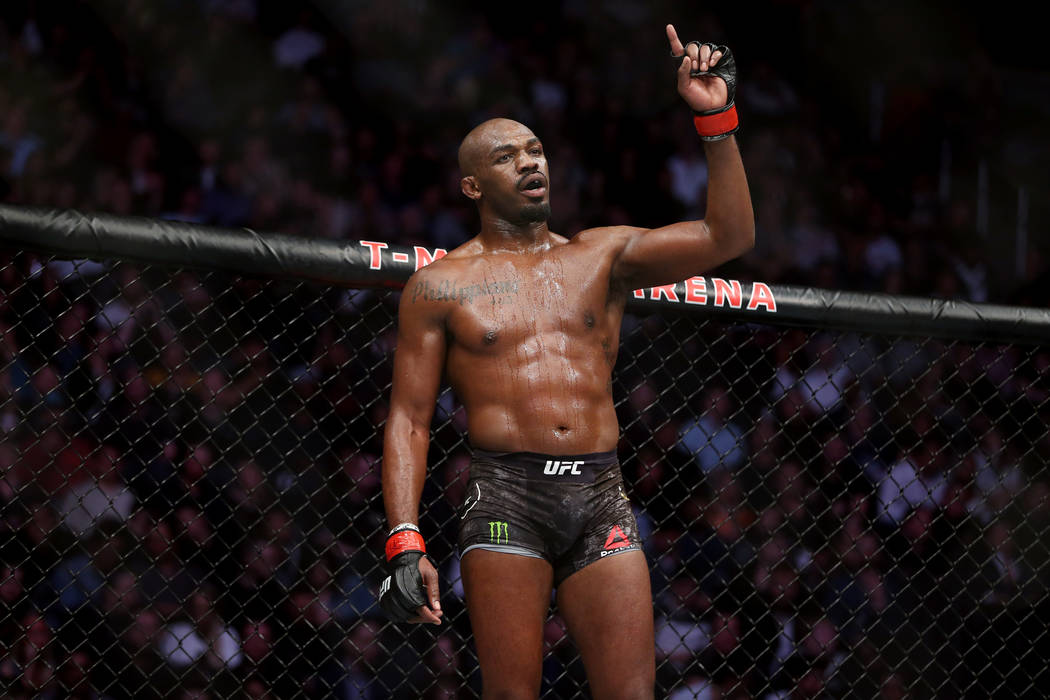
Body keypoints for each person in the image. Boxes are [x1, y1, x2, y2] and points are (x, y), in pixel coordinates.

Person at [380, 24, 754, 699]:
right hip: (506, 496)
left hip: (600, 492)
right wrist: (405, 538)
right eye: (506, 156)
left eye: (536, 150)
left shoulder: (601, 255)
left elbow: (729, 236)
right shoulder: (440, 285)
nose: (530, 163)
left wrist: (714, 117)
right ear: (472, 186)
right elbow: (409, 418)